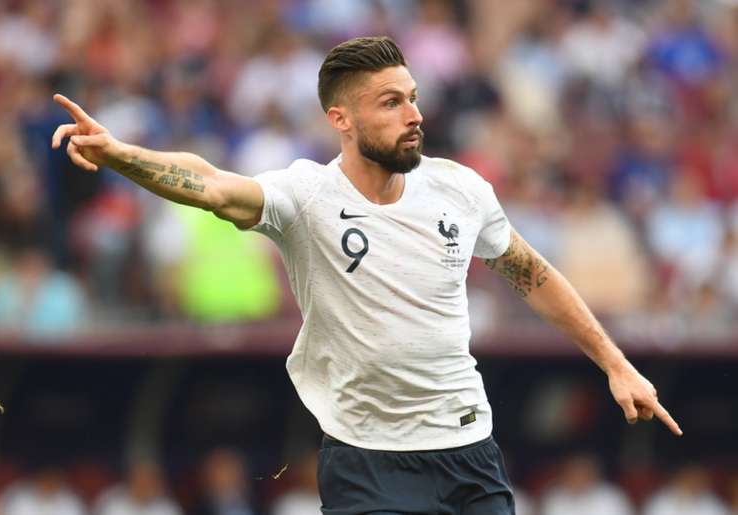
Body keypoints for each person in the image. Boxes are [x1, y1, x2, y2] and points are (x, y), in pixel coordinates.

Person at [51, 36, 682, 515]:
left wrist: (614, 363)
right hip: (366, 462)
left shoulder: (459, 189)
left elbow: (532, 274)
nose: (412, 114)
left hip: (469, 449)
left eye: (412, 97)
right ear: (341, 120)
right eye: (390, 102)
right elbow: (212, 185)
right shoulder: (305, 196)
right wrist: (123, 155)